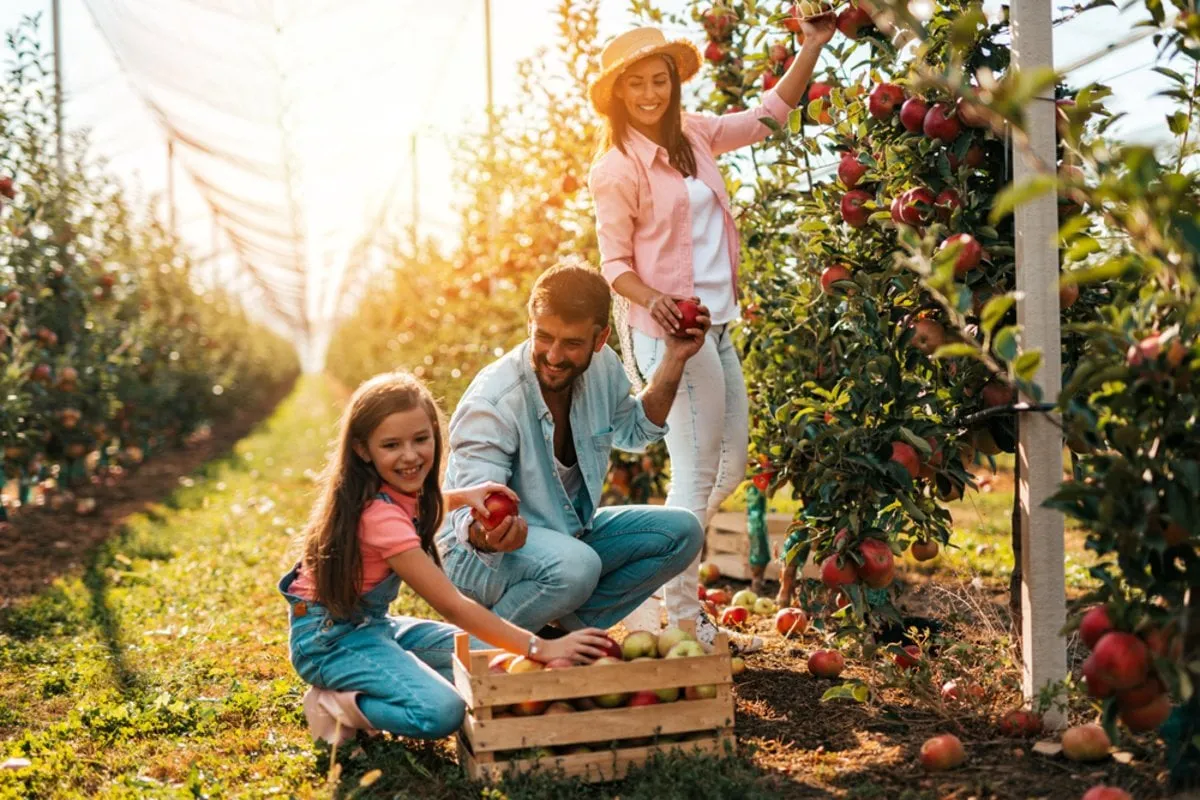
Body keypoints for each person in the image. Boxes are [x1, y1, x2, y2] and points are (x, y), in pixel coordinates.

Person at [587, 19, 837, 638]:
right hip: (672, 335)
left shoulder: (695, 135)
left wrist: (814, 43)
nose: (650, 94)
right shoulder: (617, 168)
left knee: (727, 469)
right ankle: (684, 618)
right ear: (618, 93)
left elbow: (770, 116)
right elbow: (614, 263)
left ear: (674, 82)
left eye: (660, 80)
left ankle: (636, 556)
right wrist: (657, 300)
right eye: (637, 84)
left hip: (718, 326)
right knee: (697, 476)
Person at [279, 371, 612, 745]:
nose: (410, 455)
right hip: (329, 641)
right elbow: (452, 605)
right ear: (362, 449)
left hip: (372, 625)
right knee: (441, 711)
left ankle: (380, 672)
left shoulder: (390, 491)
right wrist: (542, 646)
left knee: (490, 658)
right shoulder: (379, 516)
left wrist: (462, 494)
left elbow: (417, 505)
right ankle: (335, 705)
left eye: (421, 439)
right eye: (391, 445)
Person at [436, 262, 712, 643]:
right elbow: (470, 516)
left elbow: (635, 430)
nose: (553, 355)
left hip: (565, 537)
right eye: (544, 337)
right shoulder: (495, 401)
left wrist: (675, 357)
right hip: (477, 558)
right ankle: (478, 649)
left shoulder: (603, 369)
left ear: (601, 339)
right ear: (531, 325)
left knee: (682, 531)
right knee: (577, 566)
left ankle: (556, 634)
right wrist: (492, 534)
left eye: (572, 343)